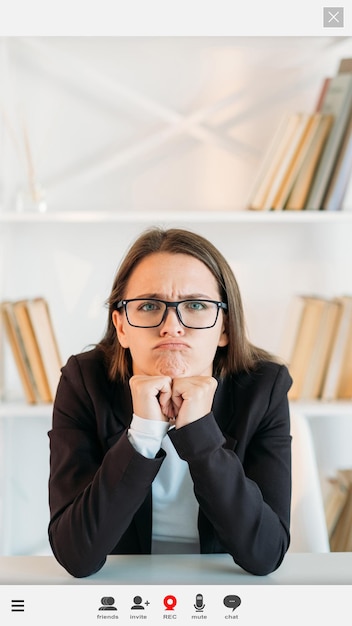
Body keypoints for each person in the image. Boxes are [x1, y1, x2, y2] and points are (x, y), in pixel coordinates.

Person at [48, 227, 292, 578]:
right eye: (149, 306)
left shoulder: (264, 388)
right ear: (121, 327)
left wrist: (200, 433)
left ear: (224, 326)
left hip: (218, 589)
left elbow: (265, 554)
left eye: (195, 305)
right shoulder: (84, 383)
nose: (172, 326)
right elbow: (76, 555)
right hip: (124, 591)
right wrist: (143, 434)